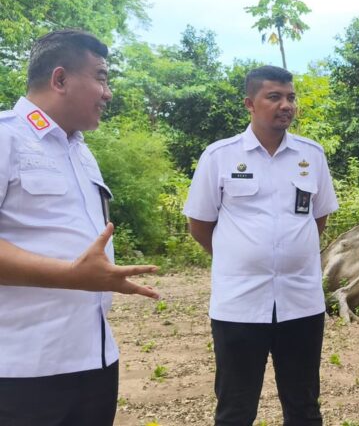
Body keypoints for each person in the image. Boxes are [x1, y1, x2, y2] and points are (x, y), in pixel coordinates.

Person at [0, 29, 160, 426]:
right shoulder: (6, 137)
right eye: (102, 77)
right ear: (60, 80)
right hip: (22, 370)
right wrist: (73, 276)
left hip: (95, 360)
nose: (108, 92)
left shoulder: (81, 152)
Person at [184, 65, 338, 426]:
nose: (286, 105)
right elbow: (200, 225)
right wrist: (241, 258)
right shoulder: (219, 156)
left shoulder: (311, 156)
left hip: (300, 302)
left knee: (303, 405)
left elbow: (318, 219)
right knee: (235, 407)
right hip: (239, 304)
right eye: (274, 97)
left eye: (290, 97)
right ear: (249, 103)